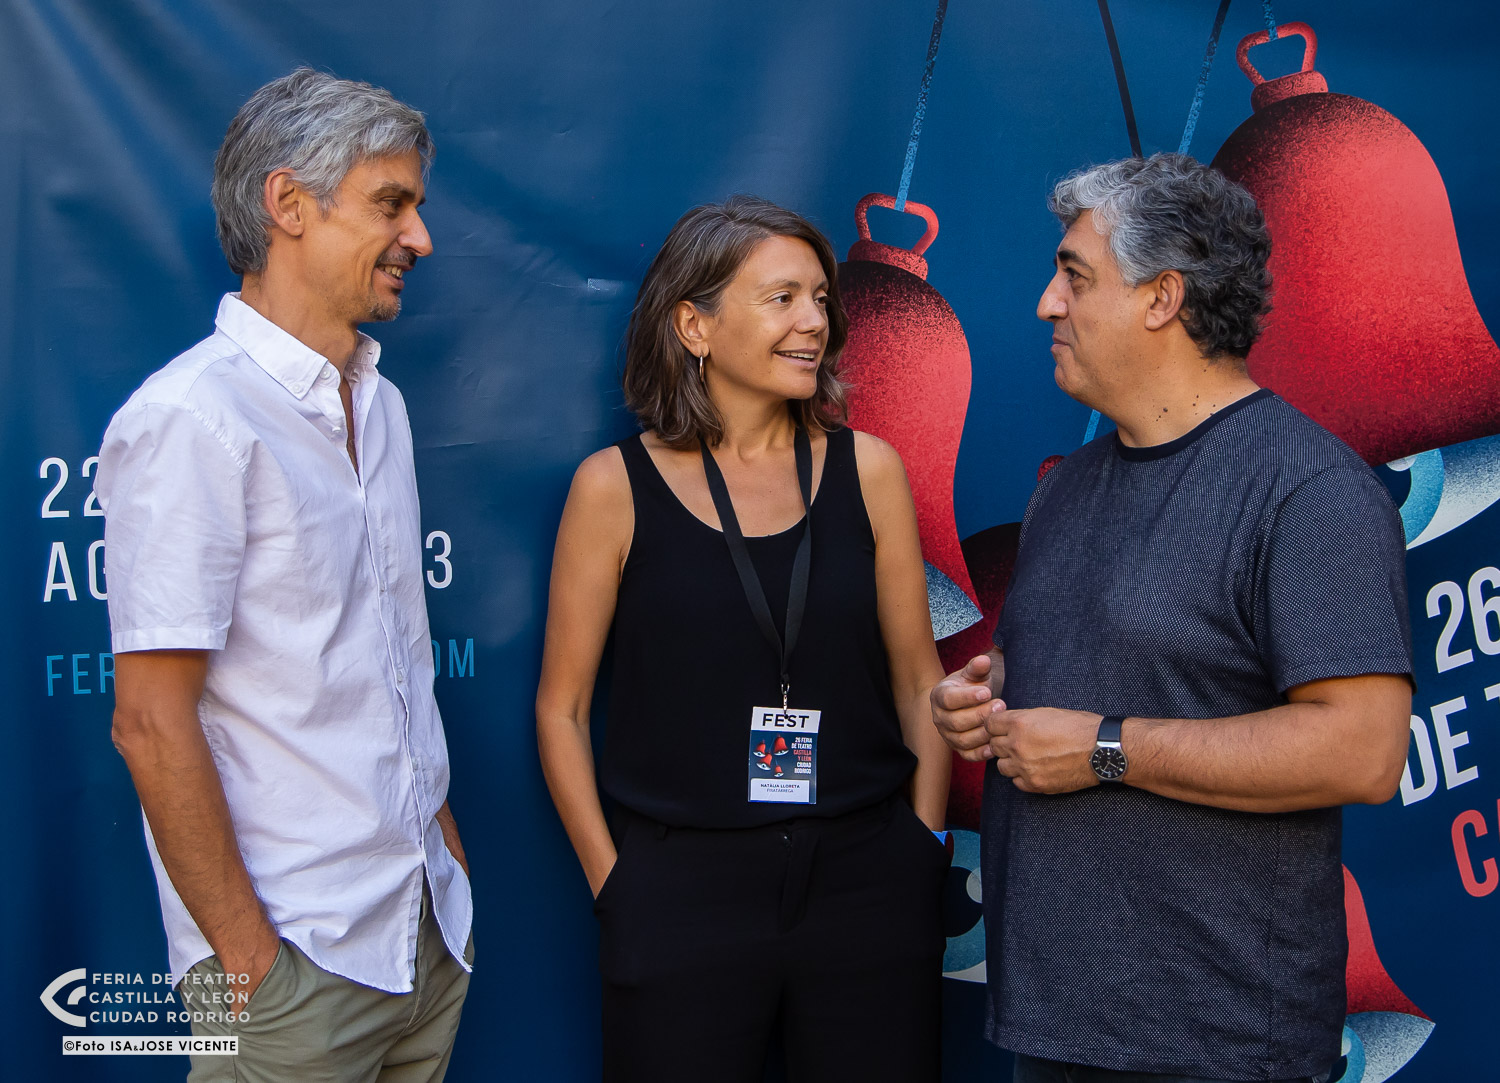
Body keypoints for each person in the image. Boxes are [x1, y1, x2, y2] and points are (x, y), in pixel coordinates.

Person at [931, 154, 1413, 1083]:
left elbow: (1362, 750)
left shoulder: (1309, 489)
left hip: (1216, 1043)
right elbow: (1125, 666)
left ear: (1162, 297)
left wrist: (1104, 747)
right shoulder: (1065, 490)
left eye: (1075, 276)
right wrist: (990, 702)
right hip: (1058, 1026)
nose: (1045, 303)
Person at [97, 69, 473, 1082]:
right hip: (290, 969)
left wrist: (442, 858)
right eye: (391, 204)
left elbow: (387, 661)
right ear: (289, 204)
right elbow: (149, 720)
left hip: (421, 935)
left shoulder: (380, 405)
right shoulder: (191, 419)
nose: (420, 237)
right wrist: (251, 965)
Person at [536, 195, 952, 1082]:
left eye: (820, 298)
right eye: (782, 298)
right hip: (681, 893)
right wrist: (618, 885)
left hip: (865, 882)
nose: (816, 322)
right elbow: (561, 709)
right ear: (694, 325)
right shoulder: (612, 487)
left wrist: (922, 848)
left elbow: (921, 682)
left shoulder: (869, 470)